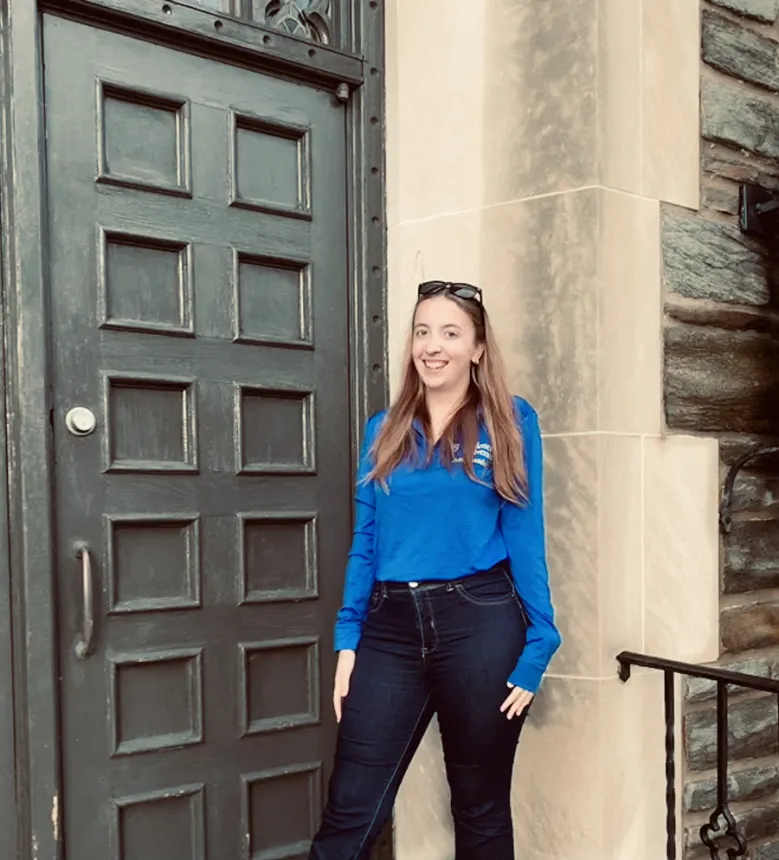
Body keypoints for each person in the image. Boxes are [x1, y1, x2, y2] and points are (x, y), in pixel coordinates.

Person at [308, 280, 562, 860]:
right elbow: (367, 540)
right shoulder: (386, 428)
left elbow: (526, 534)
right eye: (423, 332)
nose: (433, 346)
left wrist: (541, 641)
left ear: (477, 348)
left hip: (481, 624)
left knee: (479, 807)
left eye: (450, 333)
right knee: (351, 809)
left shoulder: (510, 421)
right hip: (390, 628)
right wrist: (348, 641)